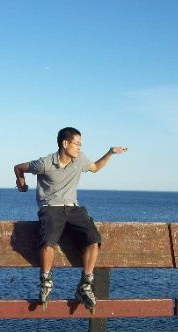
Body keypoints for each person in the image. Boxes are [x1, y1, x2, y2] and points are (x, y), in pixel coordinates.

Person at [13, 127, 128, 312]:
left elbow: (95, 167)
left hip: (73, 208)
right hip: (51, 208)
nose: (79, 148)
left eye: (80, 144)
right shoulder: (44, 163)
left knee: (93, 240)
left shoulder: (79, 159)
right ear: (65, 143)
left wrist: (111, 152)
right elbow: (18, 167)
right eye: (77, 144)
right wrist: (21, 181)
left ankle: (85, 284)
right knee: (48, 241)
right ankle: (46, 282)